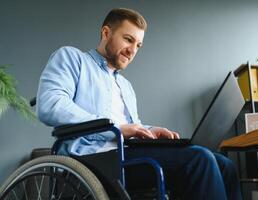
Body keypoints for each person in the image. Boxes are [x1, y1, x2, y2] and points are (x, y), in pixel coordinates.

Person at [37, 8, 242, 200]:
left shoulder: (125, 86)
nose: (132, 50)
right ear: (106, 33)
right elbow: (51, 105)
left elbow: (130, 126)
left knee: (224, 165)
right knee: (200, 159)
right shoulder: (72, 58)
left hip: (125, 155)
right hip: (90, 159)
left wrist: (151, 130)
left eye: (138, 45)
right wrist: (116, 129)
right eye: (128, 39)